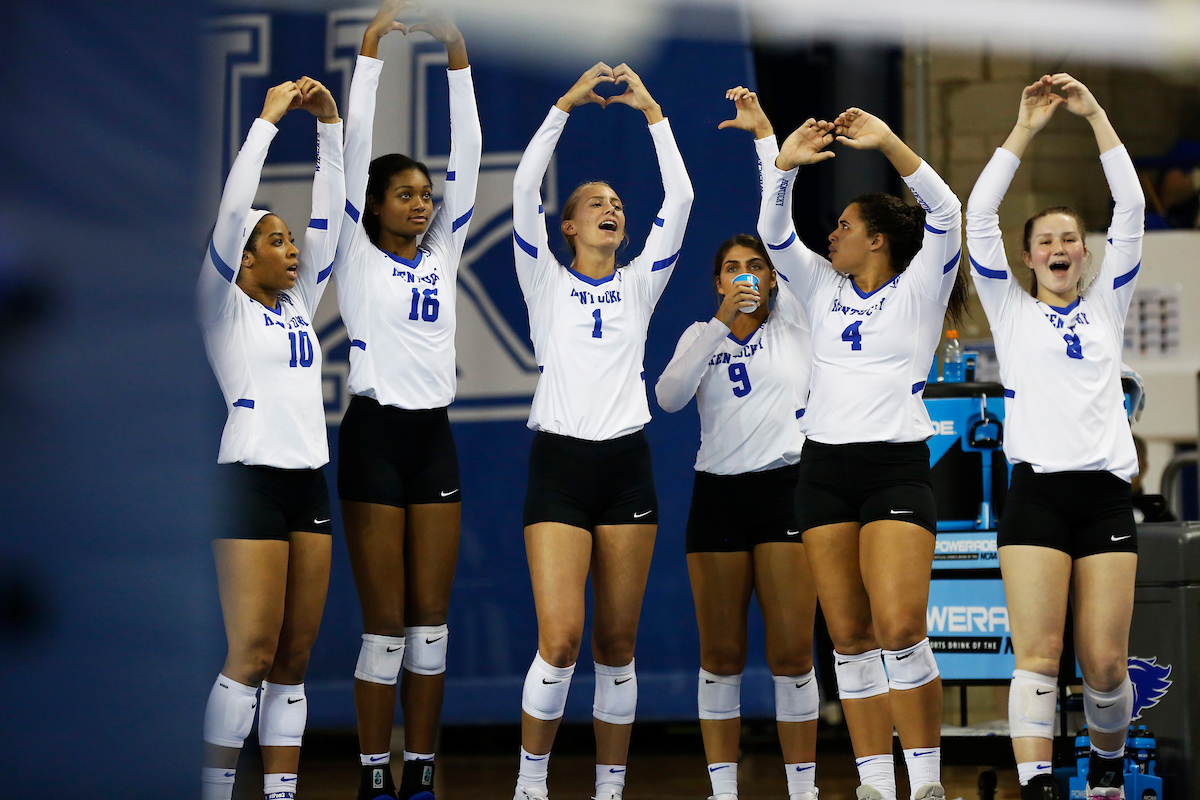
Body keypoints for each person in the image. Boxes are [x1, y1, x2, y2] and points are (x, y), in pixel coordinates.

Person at [753, 86, 968, 800]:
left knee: (900, 626)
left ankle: (927, 783)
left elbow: (947, 213)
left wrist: (888, 144)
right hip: (823, 470)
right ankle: (876, 784)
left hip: (894, 468)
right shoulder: (820, 287)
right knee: (848, 636)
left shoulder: (920, 287)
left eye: (844, 226)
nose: (831, 236)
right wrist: (783, 167)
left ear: (877, 238)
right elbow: (774, 234)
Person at [510, 62, 693, 800]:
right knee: (560, 640)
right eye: (595, 203)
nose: (610, 209)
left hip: (626, 469)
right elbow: (524, 187)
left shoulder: (640, 283)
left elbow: (681, 198)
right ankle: (530, 785)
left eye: (617, 203)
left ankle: (609, 789)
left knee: (617, 646)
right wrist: (562, 105)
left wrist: (653, 112)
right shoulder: (544, 281)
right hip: (559, 467)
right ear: (569, 226)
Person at [965, 74, 1145, 800]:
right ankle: (1036, 784)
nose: (1060, 247)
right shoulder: (1009, 309)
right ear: (1029, 258)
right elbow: (979, 214)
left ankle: (1106, 773)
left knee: (1105, 663)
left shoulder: (1108, 305)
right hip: (1035, 497)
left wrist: (1095, 113)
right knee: (1037, 655)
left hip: (1103, 498)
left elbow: (1131, 207)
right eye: (1046, 241)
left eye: (1071, 238)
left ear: (1086, 254)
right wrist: (1025, 129)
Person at [331, 1, 481, 798]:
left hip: (434, 442)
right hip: (374, 439)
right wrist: (372, 47)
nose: (422, 203)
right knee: (385, 627)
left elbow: (471, 150)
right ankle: (371, 775)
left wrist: (456, 49)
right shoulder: (355, 252)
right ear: (374, 204)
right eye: (404, 194)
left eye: (426, 193)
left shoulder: (443, 248)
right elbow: (353, 150)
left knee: (430, 627)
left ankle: (419, 771)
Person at [196, 78, 344, 800]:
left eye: (290, 239)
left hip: (307, 484)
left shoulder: (298, 303)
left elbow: (333, 220)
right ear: (244, 259)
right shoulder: (220, 304)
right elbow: (232, 215)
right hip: (249, 483)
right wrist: (267, 123)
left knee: (293, 658)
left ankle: (281, 793)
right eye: (276, 241)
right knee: (251, 652)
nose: (292, 250)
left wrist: (330, 129)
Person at [655, 228, 817, 800]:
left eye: (756, 265)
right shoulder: (700, 334)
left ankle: (803, 789)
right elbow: (669, 397)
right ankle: (723, 790)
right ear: (718, 282)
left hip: (785, 490)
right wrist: (720, 323)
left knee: (792, 651)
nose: (745, 274)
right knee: (721, 654)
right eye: (732, 267)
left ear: (772, 278)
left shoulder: (797, 328)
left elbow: (784, 240)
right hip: (718, 496)